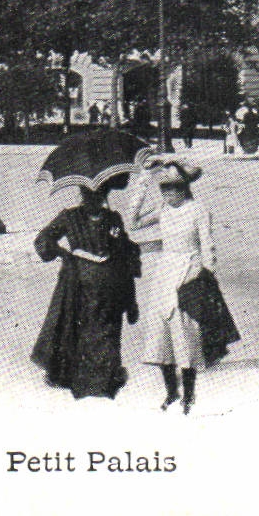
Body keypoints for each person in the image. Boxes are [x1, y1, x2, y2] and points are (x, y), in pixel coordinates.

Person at [129, 158, 233, 414]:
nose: (168, 192)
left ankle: (189, 394)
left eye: (173, 187)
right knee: (161, 332)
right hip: (165, 272)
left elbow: (207, 245)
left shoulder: (198, 209)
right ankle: (171, 391)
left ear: (185, 187)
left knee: (186, 334)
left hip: (190, 272)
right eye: (164, 187)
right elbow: (133, 222)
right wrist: (144, 177)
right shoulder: (163, 208)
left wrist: (207, 275)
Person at [31, 177, 141, 400]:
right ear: (82, 195)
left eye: (98, 194)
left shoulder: (113, 218)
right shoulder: (69, 216)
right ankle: (72, 375)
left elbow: (124, 251)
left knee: (107, 329)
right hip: (77, 283)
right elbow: (42, 239)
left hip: (109, 284)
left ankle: (105, 377)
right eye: (88, 195)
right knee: (77, 327)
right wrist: (63, 253)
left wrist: (118, 239)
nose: (92, 199)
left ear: (104, 195)